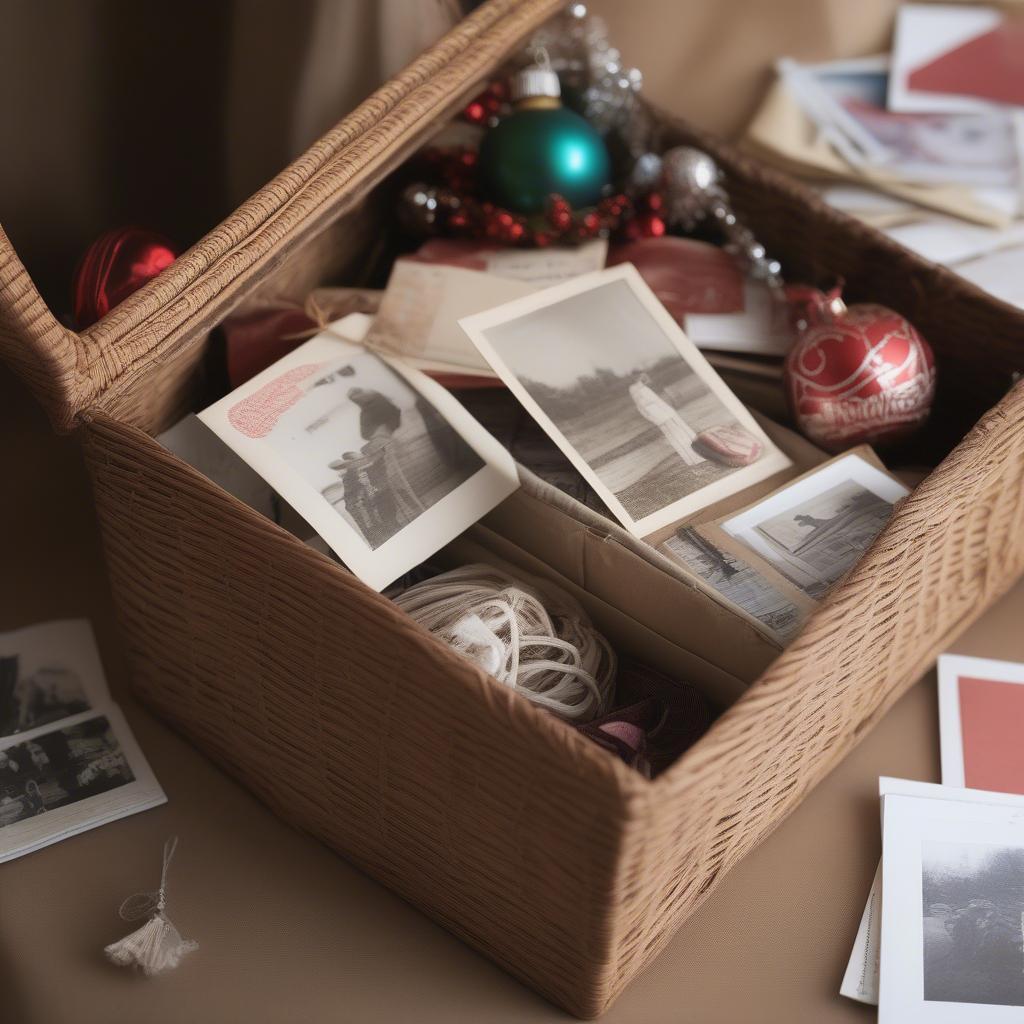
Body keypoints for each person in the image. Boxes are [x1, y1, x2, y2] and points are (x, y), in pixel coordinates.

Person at [628, 372, 705, 467]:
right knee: (679, 437)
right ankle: (696, 458)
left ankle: (698, 456)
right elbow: (644, 407)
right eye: (643, 376)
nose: (647, 377)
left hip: (666, 415)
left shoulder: (641, 389)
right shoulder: (638, 390)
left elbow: (648, 405)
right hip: (663, 417)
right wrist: (655, 418)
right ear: (639, 377)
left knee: (682, 434)